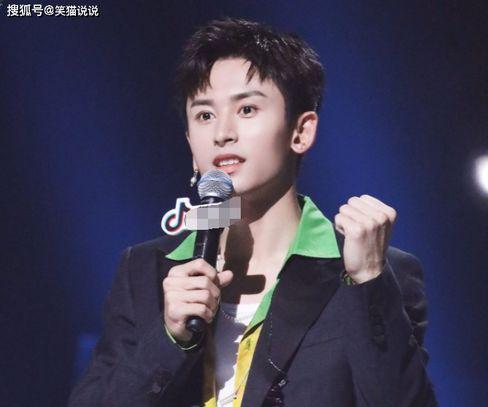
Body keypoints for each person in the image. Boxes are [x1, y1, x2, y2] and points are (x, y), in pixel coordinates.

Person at [69, 17, 437, 407]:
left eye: (246, 109)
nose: (222, 133)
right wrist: (169, 338)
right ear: (190, 142)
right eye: (205, 115)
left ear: (301, 131)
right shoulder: (147, 270)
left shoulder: (371, 272)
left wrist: (368, 281)